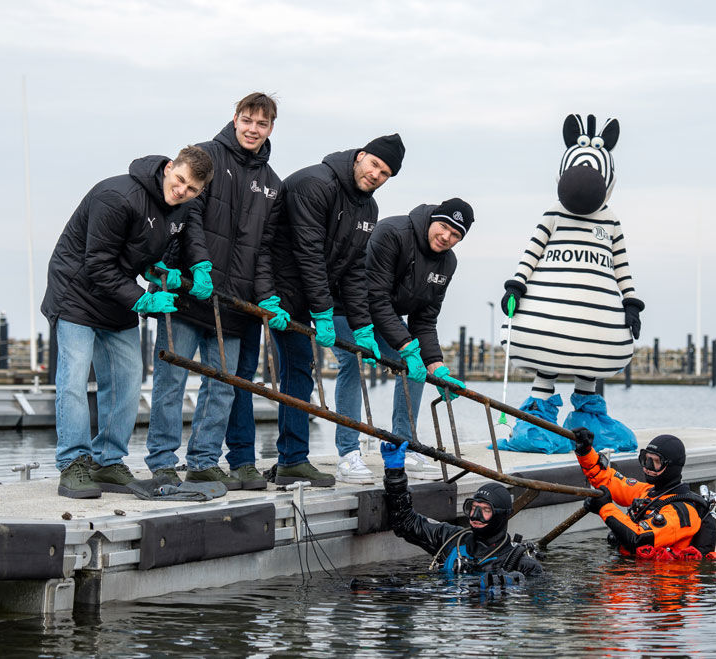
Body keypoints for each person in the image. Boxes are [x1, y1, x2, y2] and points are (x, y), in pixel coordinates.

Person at [41, 146, 213, 499]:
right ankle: (73, 463)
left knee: (128, 379)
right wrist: (142, 298)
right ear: (169, 168)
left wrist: (156, 268)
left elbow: (143, 247)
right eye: (180, 180)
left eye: (192, 188)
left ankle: (108, 462)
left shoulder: (181, 209)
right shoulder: (116, 195)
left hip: (116, 295)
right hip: (76, 290)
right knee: (74, 379)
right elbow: (97, 263)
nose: (182, 191)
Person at [144, 93, 282, 492]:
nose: (253, 129)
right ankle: (162, 462)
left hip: (233, 304)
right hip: (188, 290)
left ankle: (204, 460)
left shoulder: (272, 184)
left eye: (262, 123)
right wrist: (199, 265)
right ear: (234, 118)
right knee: (171, 381)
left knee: (222, 387)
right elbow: (189, 217)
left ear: (271, 128)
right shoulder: (205, 157)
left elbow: (265, 249)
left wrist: (266, 295)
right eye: (247, 120)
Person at [250, 134, 405, 487]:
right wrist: (323, 311)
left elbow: (352, 269)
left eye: (386, 174)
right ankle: (282, 459)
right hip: (278, 292)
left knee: (299, 373)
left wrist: (362, 324)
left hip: (309, 297)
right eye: (375, 165)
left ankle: (292, 459)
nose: (377, 175)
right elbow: (308, 252)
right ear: (360, 156)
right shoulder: (314, 183)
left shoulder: (368, 208)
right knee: (292, 372)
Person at [496, 114, 642, 455]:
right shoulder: (554, 213)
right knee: (546, 368)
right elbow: (531, 252)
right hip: (548, 313)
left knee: (586, 367)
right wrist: (516, 284)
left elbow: (621, 264)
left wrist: (631, 301)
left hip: (595, 322)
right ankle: (540, 425)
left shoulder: (611, 220)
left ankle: (585, 421)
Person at [330, 198, 474, 483]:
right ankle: (348, 454)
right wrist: (405, 345)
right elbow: (376, 297)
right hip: (345, 307)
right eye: (443, 226)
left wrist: (437, 366)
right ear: (433, 219)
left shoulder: (448, 263)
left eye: (456, 234)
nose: (446, 236)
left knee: (416, 366)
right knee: (354, 361)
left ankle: (403, 446)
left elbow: (424, 319)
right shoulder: (392, 233)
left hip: (384, 316)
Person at [380, 440, 544, 578]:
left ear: (503, 516)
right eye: (473, 508)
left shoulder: (521, 564)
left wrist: (508, 585)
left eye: (486, 510)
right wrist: (395, 475)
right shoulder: (451, 539)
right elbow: (405, 523)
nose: (476, 516)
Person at [573, 428, 716, 557]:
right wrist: (585, 452)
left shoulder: (682, 513)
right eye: (646, 459)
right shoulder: (648, 492)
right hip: (639, 575)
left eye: (656, 462)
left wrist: (605, 508)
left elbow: (639, 539)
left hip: (664, 581)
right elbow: (610, 480)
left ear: (671, 466)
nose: (648, 467)